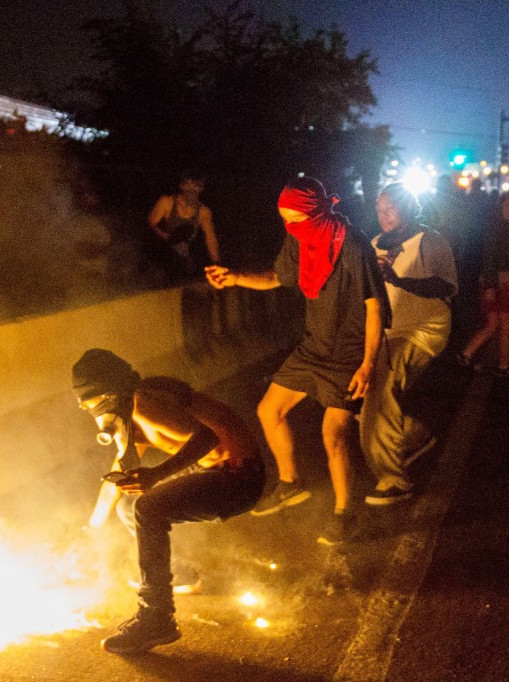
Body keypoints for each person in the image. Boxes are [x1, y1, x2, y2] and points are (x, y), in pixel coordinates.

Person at [206, 176, 389, 545]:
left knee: (333, 434)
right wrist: (236, 277)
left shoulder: (353, 245)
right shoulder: (298, 238)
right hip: (313, 347)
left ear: (315, 212)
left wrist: (368, 363)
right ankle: (290, 483)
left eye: (296, 218)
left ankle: (344, 512)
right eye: (285, 218)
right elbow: (277, 277)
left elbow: (374, 307)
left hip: (348, 353)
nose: (290, 225)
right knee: (268, 410)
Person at [72, 349, 265, 655]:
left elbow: (211, 436)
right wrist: (89, 530)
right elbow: (118, 479)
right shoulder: (128, 418)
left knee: (148, 508)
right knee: (129, 504)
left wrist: (157, 474)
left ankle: (156, 618)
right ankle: (179, 575)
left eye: (94, 402)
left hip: (240, 477)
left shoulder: (146, 402)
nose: (93, 412)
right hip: (214, 470)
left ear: (112, 394)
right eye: (86, 405)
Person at [361, 183, 457, 506]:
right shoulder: (374, 245)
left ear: (408, 207)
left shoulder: (430, 241)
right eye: (379, 209)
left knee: (380, 390)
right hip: (389, 331)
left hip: (423, 329)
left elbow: (444, 285)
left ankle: (394, 478)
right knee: (357, 395)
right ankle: (415, 435)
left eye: (391, 208)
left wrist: (399, 280)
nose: (384, 216)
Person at [456, 191, 509, 377]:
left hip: (498, 282)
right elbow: (489, 258)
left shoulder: (505, 227)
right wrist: (491, 286)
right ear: (500, 207)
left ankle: (466, 353)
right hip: (499, 283)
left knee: (494, 323)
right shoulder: (498, 228)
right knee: (504, 322)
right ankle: (503, 366)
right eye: (508, 205)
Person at [146, 169, 220, 283]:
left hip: (183, 258)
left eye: (197, 186)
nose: (192, 190)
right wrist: (167, 237)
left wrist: (217, 263)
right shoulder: (167, 202)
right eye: (189, 186)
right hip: (161, 251)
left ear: (202, 189)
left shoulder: (204, 212)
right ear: (182, 185)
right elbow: (151, 224)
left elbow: (210, 239)